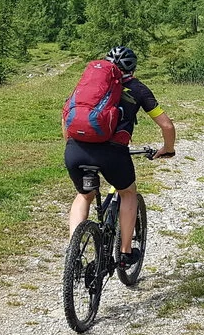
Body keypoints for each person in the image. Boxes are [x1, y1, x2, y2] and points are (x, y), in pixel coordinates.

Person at [65, 46, 175, 267]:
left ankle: (73, 253)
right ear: (133, 68)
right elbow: (167, 125)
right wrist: (167, 149)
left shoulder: (90, 85)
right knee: (128, 193)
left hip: (76, 149)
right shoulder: (138, 89)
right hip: (112, 153)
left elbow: (66, 115)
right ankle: (125, 253)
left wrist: (70, 144)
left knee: (84, 195)